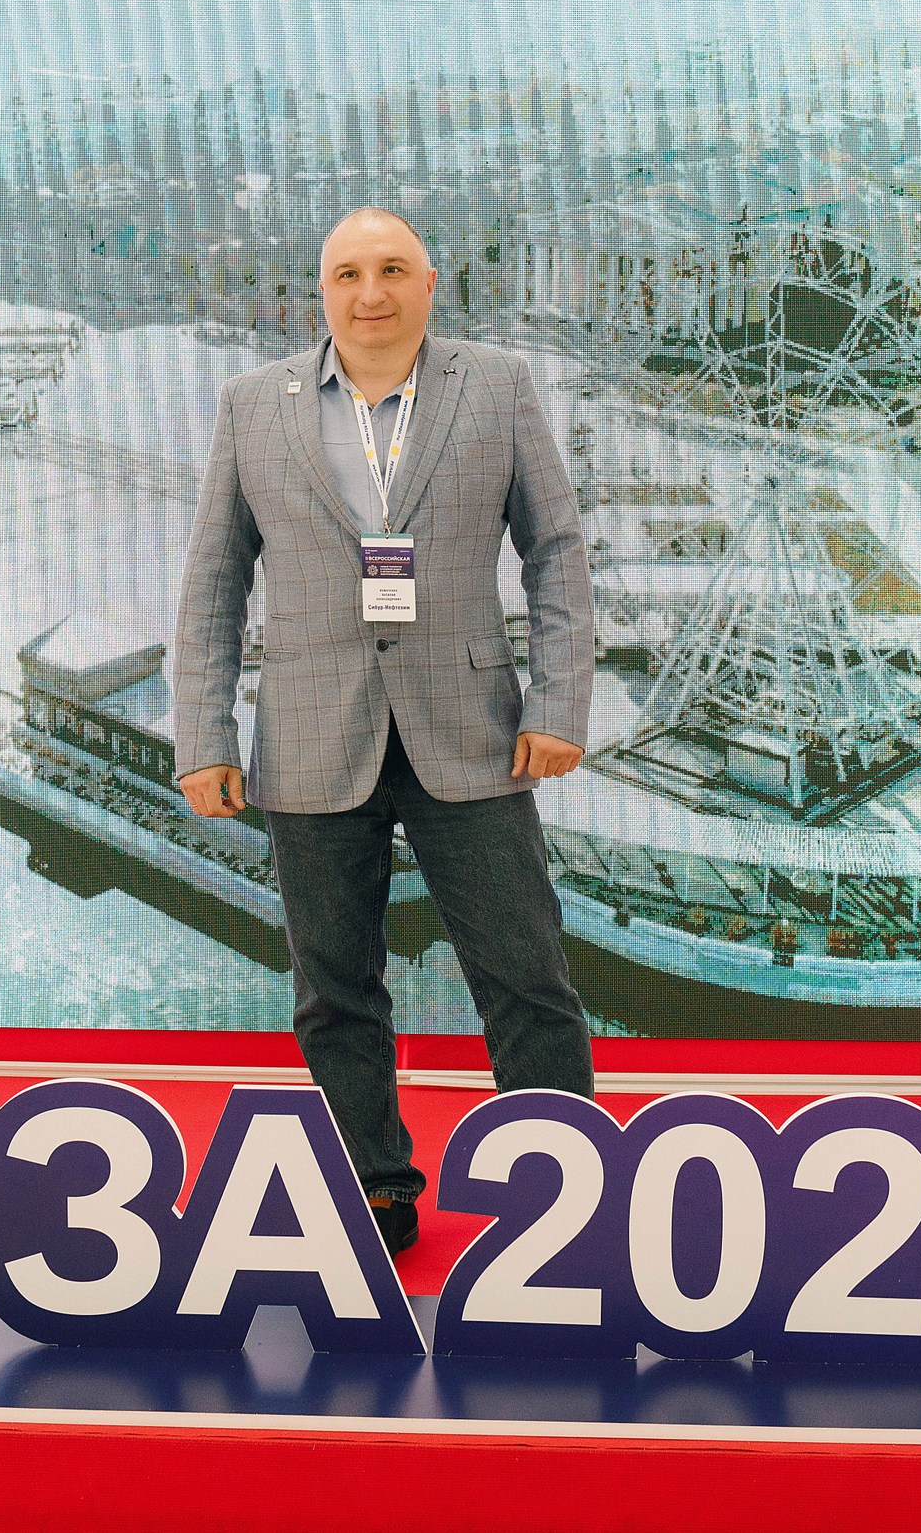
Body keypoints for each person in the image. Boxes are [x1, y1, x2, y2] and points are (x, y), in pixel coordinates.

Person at [171, 207, 597, 1256]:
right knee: (333, 989)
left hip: (475, 731)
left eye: (394, 269)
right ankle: (373, 1186)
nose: (372, 293)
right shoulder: (250, 405)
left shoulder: (497, 386)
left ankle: (567, 1192)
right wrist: (203, 734)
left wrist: (557, 705)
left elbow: (556, 550)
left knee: (528, 978)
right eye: (349, 274)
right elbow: (215, 579)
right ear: (321, 292)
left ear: (430, 283)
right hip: (311, 732)